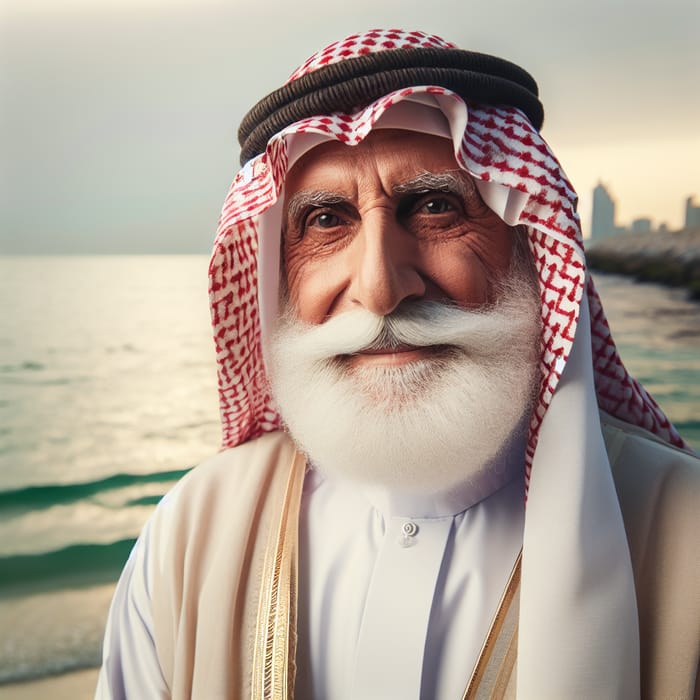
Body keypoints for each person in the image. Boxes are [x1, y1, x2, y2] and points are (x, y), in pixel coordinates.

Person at [96, 29, 700, 699]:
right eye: (326, 220)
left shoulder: (685, 534)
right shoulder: (188, 539)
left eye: (437, 207)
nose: (380, 287)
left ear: (532, 248)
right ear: (276, 275)